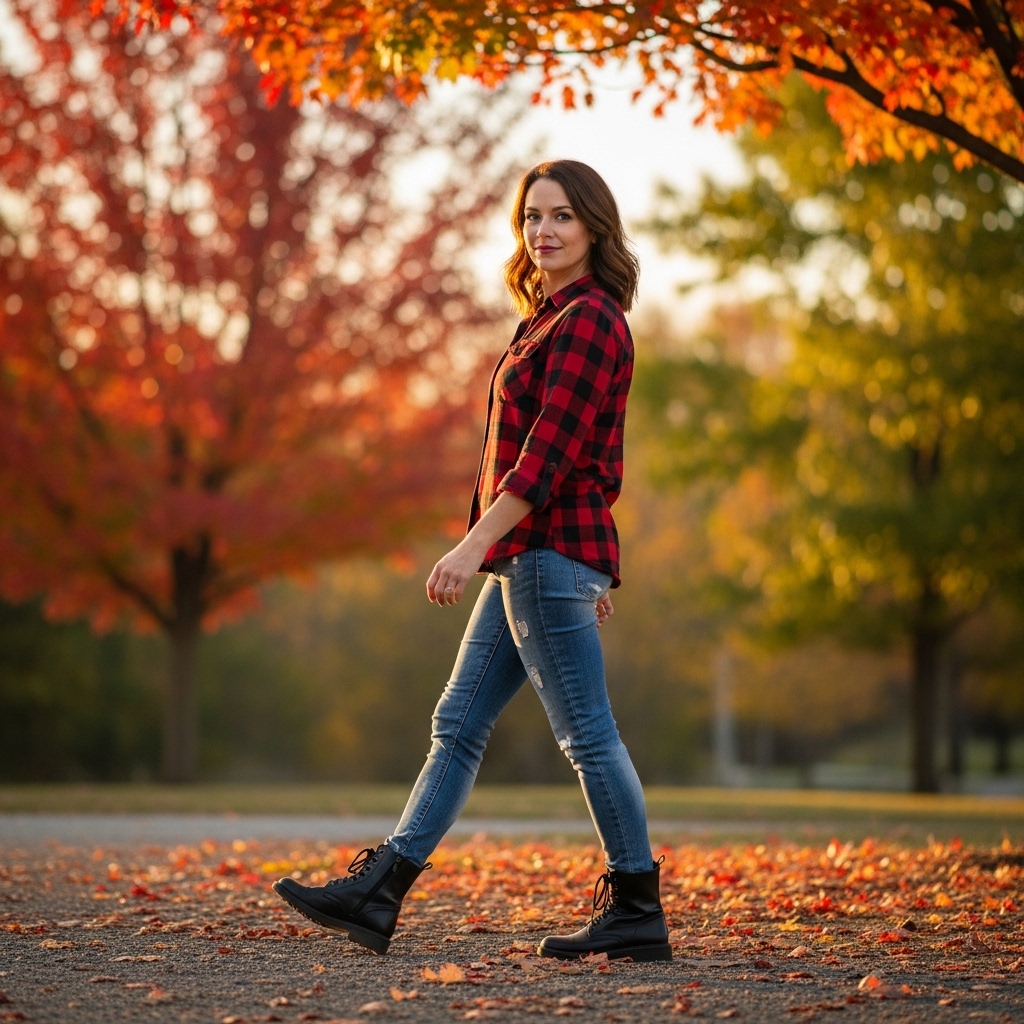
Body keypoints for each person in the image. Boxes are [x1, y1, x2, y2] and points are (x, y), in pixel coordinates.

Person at [274, 159, 670, 962]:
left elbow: (547, 458)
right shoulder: (547, 319)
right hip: (537, 556)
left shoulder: (589, 320)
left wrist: (469, 547)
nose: (543, 231)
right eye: (532, 217)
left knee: (588, 735)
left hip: (542, 552)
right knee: (456, 722)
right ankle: (381, 890)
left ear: (595, 225)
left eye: (561, 216)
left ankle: (636, 906)